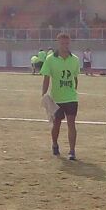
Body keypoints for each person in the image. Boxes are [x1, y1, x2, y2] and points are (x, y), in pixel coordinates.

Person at [41, 32, 81, 160]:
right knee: (56, 123)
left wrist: (73, 90)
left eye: (67, 43)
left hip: (71, 98)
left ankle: (72, 151)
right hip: (56, 98)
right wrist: (44, 94)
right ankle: (54, 144)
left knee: (71, 123)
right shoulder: (50, 59)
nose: (65, 45)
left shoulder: (75, 59)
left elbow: (75, 78)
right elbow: (46, 78)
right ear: (58, 43)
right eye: (62, 43)